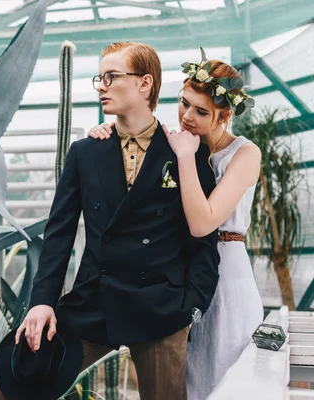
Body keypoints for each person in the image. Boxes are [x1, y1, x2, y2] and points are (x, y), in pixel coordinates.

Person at [0, 42, 220, 400]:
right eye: (100, 77)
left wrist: (190, 307)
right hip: (92, 301)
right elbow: (59, 233)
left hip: (160, 308)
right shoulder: (85, 151)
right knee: (6, 391)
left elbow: (202, 241)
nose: (101, 86)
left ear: (145, 84)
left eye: (112, 77)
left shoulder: (186, 151)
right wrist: (42, 301)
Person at [87, 49, 264, 399]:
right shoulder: (171, 142)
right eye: (184, 103)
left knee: (222, 379)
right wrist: (110, 133)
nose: (187, 117)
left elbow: (203, 223)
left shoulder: (245, 154)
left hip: (227, 276)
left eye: (201, 111)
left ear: (224, 116)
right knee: (185, 381)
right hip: (178, 278)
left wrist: (185, 155)